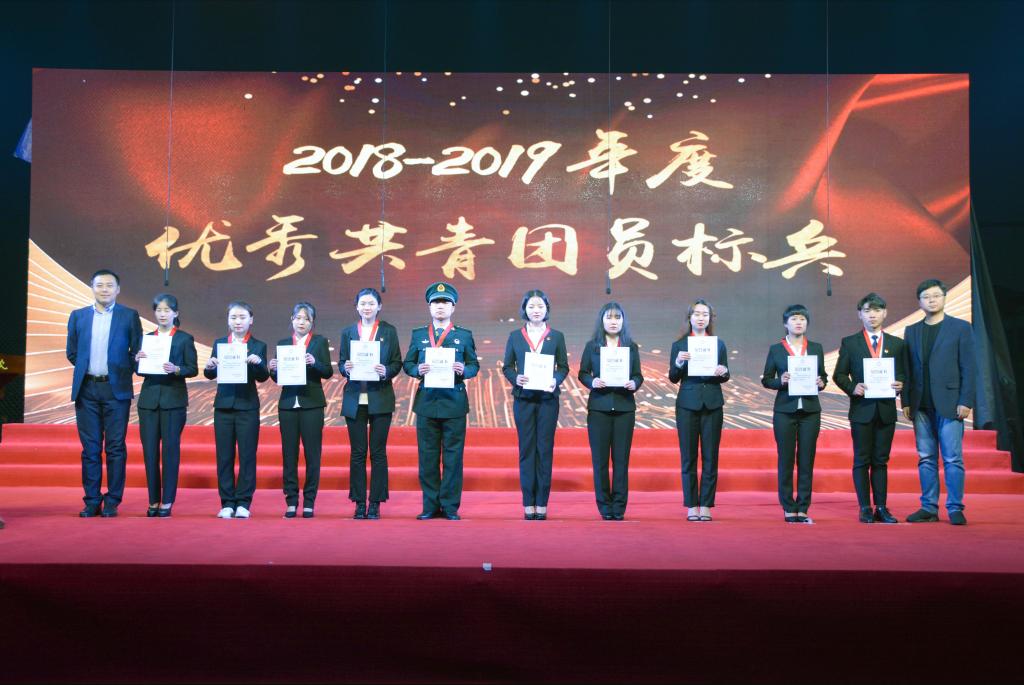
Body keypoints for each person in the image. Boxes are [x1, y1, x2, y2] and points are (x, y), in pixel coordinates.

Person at [66, 269, 142, 517]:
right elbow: (72, 353)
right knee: (90, 448)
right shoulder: (78, 316)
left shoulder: (129, 316)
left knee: (115, 447)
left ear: (118, 290)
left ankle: (112, 500)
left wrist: (122, 371)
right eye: (100, 285)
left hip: (115, 389)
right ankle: (91, 500)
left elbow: (137, 352)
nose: (105, 289)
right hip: (86, 389)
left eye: (110, 285)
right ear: (92, 288)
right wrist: (89, 370)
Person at [403, 282, 479, 521]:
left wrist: (464, 369)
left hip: (454, 403)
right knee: (427, 457)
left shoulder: (464, 335)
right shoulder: (418, 335)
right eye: (436, 302)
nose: (440, 306)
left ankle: (450, 506)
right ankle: (430, 505)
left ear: (453, 307)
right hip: (427, 403)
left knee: (453, 458)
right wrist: (417, 369)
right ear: (429, 306)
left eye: (445, 302)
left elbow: (474, 365)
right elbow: (407, 364)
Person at [903, 279, 975, 525]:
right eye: (926, 297)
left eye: (936, 296)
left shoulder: (961, 328)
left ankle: (955, 507)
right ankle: (928, 507)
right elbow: (908, 369)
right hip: (920, 404)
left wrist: (966, 400)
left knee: (953, 458)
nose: (931, 300)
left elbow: (969, 367)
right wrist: (906, 400)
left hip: (951, 403)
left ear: (944, 298)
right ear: (919, 302)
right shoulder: (912, 330)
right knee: (926, 457)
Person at [832, 293, 906, 524]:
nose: (872, 315)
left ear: (885, 313)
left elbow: (903, 373)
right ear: (860, 315)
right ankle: (865, 507)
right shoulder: (850, 342)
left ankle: (881, 507)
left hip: (886, 410)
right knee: (862, 459)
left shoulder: (897, 344)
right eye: (867, 311)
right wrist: (853, 387)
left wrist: (901, 383)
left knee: (881, 460)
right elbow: (839, 375)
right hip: (861, 410)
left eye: (876, 310)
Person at [501, 289, 570, 520]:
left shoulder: (557, 336)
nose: (536, 310)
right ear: (525, 309)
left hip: (548, 400)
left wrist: (555, 380)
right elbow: (507, 367)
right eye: (531, 306)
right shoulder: (515, 336)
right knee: (526, 450)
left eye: (540, 306)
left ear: (547, 309)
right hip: (524, 400)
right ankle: (528, 503)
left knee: (544, 450)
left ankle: (542, 503)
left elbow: (563, 367)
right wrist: (516, 378)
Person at [338, 288, 402, 520]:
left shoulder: (388, 331)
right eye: (363, 303)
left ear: (379, 306)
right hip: (354, 399)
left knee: (377, 452)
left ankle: (375, 502)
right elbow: (341, 362)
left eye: (371, 303)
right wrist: (345, 368)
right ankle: (358, 502)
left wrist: (386, 371)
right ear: (357, 307)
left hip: (380, 397)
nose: (367, 307)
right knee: (357, 452)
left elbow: (397, 362)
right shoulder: (348, 332)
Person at [761, 304, 828, 524]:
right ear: (785, 323)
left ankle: (803, 506)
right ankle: (788, 506)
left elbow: (823, 377)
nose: (798, 323)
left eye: (802, 319)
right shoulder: (776, 349)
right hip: (785, 410)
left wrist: (821, 382)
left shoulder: (816, 348)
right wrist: (780, 381)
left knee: (807, 459)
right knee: (786, 459)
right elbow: (767, 379)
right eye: (794, 319)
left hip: (810, 411)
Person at [578, 302, 644, 521]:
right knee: (600, 461)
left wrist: (634, 383)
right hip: (599, 408)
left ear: (623, 321)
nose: (613, 321)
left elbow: (638, 375)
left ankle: (619, 506)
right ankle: (604, 505)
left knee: (621, 461)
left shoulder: (631, 347)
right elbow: (583, 373)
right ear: (602, 320)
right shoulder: (592, 346)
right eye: (609, 317)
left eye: (617, 317)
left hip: (625, 408)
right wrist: (592, 381)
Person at [134, 294, 198, 517]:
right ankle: (153, 499)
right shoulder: (146, 338)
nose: (162, 314)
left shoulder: (184, 339)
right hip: (149, 401)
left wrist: (176, 369)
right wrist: (137, 360)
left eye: (167, 310)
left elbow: (192, 369)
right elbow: (139, 371)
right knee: (150, 452)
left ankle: (167, 500)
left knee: (170, 451)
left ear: (175, 313)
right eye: (159, 310)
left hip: (173, 401)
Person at [203, 301, 270, 519]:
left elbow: (263, 377)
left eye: (242, 317)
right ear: (228, 320)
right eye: (233, 317)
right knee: (224, 456)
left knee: (247, 455)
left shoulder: (258, 345)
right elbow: (210, 374)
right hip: (223, 406)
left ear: (251, 320)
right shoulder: (220, 343)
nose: (238, 321)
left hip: (247, 406)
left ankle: (243, 502)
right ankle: (227, 502)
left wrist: (258, 363)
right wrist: (209, 366)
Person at [268, 302, 333, 519]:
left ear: (312, 322)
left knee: (312, 454)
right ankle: (291, 500)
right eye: (298, 318)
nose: (301, 322)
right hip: (288, 404)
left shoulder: (319, 342)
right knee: (289, 454)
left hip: (312, 403)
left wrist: (314, 362)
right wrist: (273, 370)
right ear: (292, 320)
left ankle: (309, 501)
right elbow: (278, 378)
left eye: (306, 319)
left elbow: (327, 372)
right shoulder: (284, 344)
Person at [668, 299, 730, 522]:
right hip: (687, 403)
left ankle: (706, 505)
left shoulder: (718, 344)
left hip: (712, 403)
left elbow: (725, 374)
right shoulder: (679, 345)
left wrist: (723, 371)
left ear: (710, 318)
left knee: (711, 456)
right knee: (689, 457)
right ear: (690, 317)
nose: (701, 318)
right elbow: (673, 377)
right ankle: (691, 505)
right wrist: (678, 362)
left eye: (705, 314)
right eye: (697, 314)